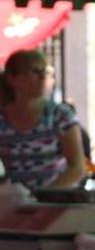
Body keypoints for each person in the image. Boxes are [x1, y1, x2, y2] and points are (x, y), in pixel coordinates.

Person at [0, 49, 86, 190]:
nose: (42, 77)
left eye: (44, 72)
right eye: (35, 71)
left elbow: (77, 168)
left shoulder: (60, 116)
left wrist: (43, 195)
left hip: (55, 198)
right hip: (14, 198)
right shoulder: (2, 119)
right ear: (12, 79)